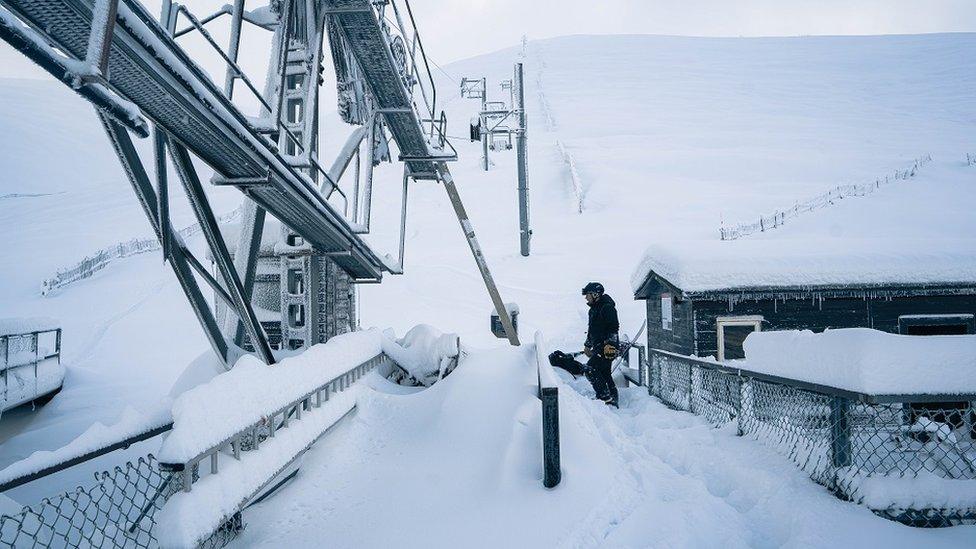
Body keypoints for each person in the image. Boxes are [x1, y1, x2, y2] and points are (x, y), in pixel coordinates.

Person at [549, 282, 620, 407]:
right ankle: (612, 397)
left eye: (587, 295)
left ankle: (604, 396)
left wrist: (610, 345)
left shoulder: (607, 308)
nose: (586, 298)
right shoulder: (593, 309)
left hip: (607, 347)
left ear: (595, 294)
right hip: (598, 346)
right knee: (604, 372)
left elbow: (613, 328)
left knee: (591, 369)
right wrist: (587, 345)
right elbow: (592, 329)